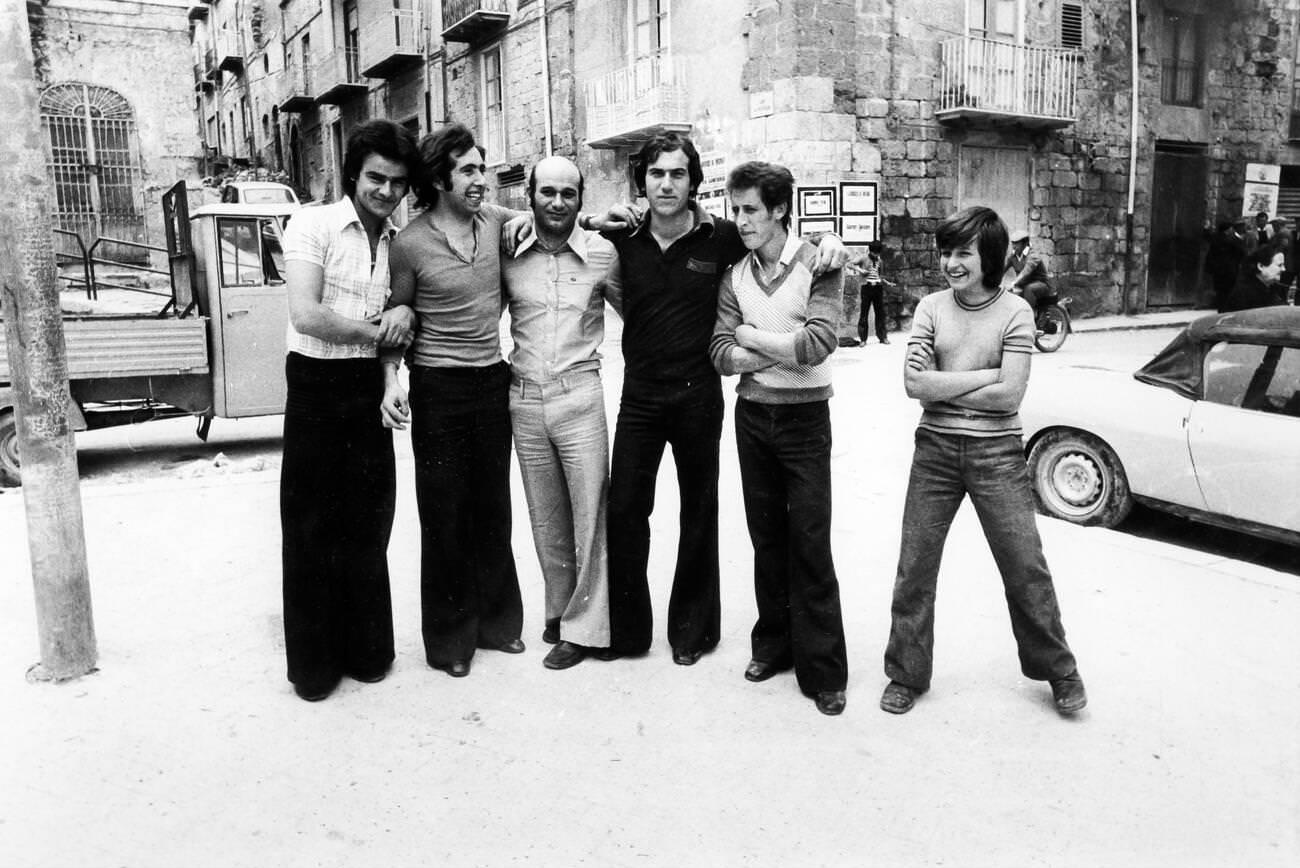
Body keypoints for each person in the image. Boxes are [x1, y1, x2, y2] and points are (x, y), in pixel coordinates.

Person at [593, 131, 846, 664]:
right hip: (639, 394)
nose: (666, 183)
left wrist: (831, 240)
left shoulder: (723, 235)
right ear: (643, 180)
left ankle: (693, 633)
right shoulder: (625, 235)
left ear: (692, 182)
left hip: (698, 394)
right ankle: (628, 633)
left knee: (698, 512)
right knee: (624, 510)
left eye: (678, 173)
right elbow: (575, 229)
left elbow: (784, 239)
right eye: (656, 173)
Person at [880, 206, 1086, 717]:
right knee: (915, 566)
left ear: (988, 257)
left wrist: (947, 385)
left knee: (1025, 565)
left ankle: (1059, 670)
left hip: (998, 455)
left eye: (963, 253)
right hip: (935, 451)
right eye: (946, 251)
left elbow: (1010, 396)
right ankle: (906, 673)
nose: (951, 262)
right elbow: (914, 385)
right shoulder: (930, 307)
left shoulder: (1016, 311)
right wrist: (984, 375)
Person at [279, 119, 418, 702]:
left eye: (397, 183)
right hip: (313, 385)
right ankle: (314, 667)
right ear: (352, 175)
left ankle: (367, 651)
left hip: (364, 384)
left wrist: (392, 358)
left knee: (368, 523)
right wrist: (381, 328)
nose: (386, 192)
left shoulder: (393, 240)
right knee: (311, 528)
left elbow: (398, 323)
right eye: (376, 180)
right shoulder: (312, 224)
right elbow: (307, 315)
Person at [382, 124, 525, 678]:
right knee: (445, 515)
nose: (480, 180)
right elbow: (398, 319)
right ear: (440, 177)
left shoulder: (495, 222)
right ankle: (449, 642)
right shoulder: (410, 243)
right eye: (468, 170)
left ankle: (498, 625)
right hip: (439, 391)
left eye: (481, 168)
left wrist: (613, 218)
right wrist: (391, 380)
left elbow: (553, 220)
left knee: (493, 508)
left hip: (492, 383)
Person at [709, 161, 849, 716]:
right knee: (766, 538)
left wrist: (749, 336)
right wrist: (764, 343)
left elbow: (818, 344)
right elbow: (721, 354)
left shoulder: (820, 261)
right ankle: (773, 646)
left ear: (779, 210)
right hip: (753, 418)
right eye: (734, 209)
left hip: (806, 420)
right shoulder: (734, 275)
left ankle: (825, 671)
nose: (739, 221)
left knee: (810, 541)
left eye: (749, 210)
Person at [501, 156, 619, 670]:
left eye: (568, 194)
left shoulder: (602, 254)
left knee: (591, 516)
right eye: (546, 192)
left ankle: (586, 629)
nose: (556, 203)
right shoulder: (509, 250)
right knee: (545, 515)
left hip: (579, 395)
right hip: (524, 397)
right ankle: (558, 610)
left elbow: (640, 316)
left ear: (581, 199)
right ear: (529, 195)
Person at [1222, 245, 1288, 312]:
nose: (1283, 269)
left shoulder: (1273, 287)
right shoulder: (1244, 292)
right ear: (1261, 266)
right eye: (1279, 265)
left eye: (1283, 265)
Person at [848, 240, 890, 345]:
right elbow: (849, 264)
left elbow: (881, 275)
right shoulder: (863, 258)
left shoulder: (880, 261)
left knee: (880, 313)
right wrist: (860, 270)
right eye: (874, 252)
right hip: (866, 287)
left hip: (878, 287)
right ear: (870, 251)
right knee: (864, 313)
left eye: (878, 253)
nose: (876, 255)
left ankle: (882, 337)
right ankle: (863, 339)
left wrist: (886, 282)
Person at [1004, 229, 1054, 315]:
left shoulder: (1033, 255)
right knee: (1009, 293)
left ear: (1024, 243)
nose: (1014, 246)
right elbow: (1002, 268)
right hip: (1023, 283)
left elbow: (1026, 271)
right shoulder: (1014, 256)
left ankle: (1029, 315)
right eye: (1013, 243)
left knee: (1029, 289)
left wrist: (1013, 283)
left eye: (1017, 243)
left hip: (1041, 285)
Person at [1204, 221, 1248, 312]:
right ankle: (1225, 309)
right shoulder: (1231, 240)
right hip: (1229, 271)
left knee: (1220, 292)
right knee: (1228, 292)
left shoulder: (1215, 239)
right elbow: (1242, 253)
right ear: (1227, 230)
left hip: (1218, 271)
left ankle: (1221, 309)